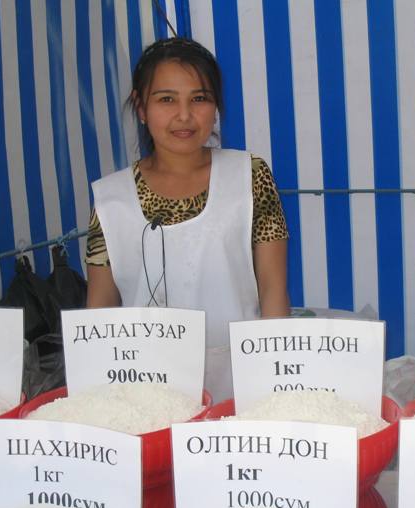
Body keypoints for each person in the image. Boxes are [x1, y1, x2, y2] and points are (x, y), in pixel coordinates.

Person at [85, 37, 289, 399]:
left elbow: (273, 289)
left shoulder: (250, 176)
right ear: (141, 107)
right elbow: (99, 314)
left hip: (239, 386)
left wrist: (273, 388)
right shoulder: (110, 200)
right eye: (166, 99)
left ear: (215, 107)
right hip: (145, 393)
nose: (184, 115)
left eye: (199, 98)